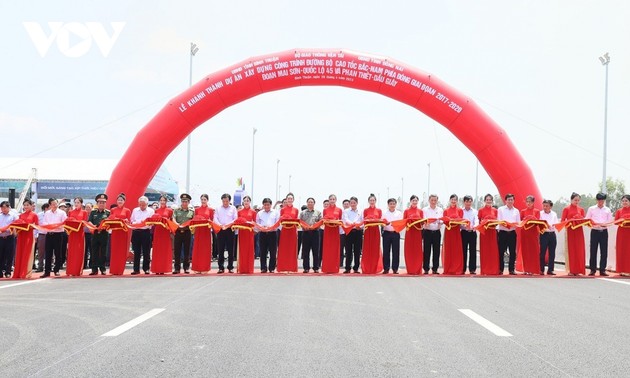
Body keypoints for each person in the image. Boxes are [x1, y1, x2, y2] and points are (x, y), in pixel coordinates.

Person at [586, 192, 614, 276]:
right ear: (596, 200)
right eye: (598, 200)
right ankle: (592, 269)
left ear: (604, 201)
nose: (600, 202)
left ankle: (602, 270)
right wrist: (593, 224)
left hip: (603, 231)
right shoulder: (591, 209)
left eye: (602, 200)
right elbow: (587, 219)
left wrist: (604, 224)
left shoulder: (607, 210)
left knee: (604, 251)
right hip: (594, 231)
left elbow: (610, 221)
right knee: (593, 250)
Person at [40, 198, 68, 277]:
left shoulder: (62, 213)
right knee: (48, 253)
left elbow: (64, 223)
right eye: (52, 204)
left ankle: (56, 270)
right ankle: (47, 271)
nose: (54, 205)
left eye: (56, 204)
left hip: (58, 234)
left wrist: (56, 226)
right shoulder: (47, 213)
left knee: (58, 253)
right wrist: (50, 226)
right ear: (50, 205)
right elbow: (44, 222)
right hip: (49, 234)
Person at [561, 192, 587, 276]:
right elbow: (562, 221)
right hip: (570, 231)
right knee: (571, 250)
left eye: (578, 200)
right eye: (575, 200)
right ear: (571, 200)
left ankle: (579, 269)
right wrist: (570, 221)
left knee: (579, 249)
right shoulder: (566, 209)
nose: (577, 201)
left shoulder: (581, 209)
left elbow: (583, 220)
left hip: (579, 231)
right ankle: (571, 270)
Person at [12, 199, 38, 279]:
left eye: (27, 205)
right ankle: (19, 272)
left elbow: (37, 226)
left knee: (27, 253)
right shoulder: (21, 215)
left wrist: (30, 226)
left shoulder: (34, 215)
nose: (26, 206)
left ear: (31, 206)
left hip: (29, 236)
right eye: (25, 205)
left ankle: (26, 273)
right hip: (21, 236)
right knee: (20, 253)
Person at [130, 196, 154, 275]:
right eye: (140, 205)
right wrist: (137, 223)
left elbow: (152, 222)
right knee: (136, 251)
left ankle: (146, 268)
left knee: (146, 251)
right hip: (136, 232)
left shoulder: (151, 211)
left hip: (145, 232)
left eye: (143, 205)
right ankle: (136, 269)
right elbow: (132, 220)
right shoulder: (135, 210)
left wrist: (143, 223)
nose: (142, 206)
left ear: (147, 204)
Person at [214, 193, 238, 273]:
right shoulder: (218, 208)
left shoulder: (233, 208)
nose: (225, 203)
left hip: (230, 229)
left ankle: (230, 267)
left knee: (231, 249)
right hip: (220, 229)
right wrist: (220, 225)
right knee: (220, 249)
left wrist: (228, 225)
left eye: (227, 201)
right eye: (223, 201)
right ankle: (221, 267)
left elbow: (235, 219)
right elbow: (215, 218)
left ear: (229, 201)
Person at [497, 193, 520, 275]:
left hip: (512, 233)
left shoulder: (516, 211)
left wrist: (512, 225)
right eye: (508, 200)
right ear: (505, 200)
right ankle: (500, 269)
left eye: (511, 200)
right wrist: (506, 225)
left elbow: (518, 223)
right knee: (501, 251)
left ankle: (511, 269)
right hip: (503, 232)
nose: (510, 201)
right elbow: (499, 221)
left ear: (513, 201)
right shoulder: (500, 209)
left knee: (512, 252)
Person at [150, 195, 174, 274]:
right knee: (157, 249)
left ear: (166, 201)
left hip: (165, 231)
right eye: (161, 200)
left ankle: (164, 268)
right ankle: (157, 268)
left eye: (164, 200)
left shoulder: (169, 210)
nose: (162, 202)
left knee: (164, 249)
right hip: (158, 231)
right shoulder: (156, 210)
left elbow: (171, 221)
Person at [109, 193, 131, 275]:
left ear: (124, 201)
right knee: (114, 250)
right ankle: (114, 269)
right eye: (118, 200)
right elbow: (110, 219)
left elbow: (129, 221)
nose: (120, 201)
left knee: (121, 250)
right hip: (115, 232)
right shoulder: (113, 210)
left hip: (123, 232)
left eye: (121, 200)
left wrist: (125, 221)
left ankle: (120, 269)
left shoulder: (127, 210)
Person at [477, 194, 500, 275]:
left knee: (493, 250)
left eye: (490, 199)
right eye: (487, 199)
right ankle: (485, 270)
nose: (488, 201)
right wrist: (485, 222)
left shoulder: (495, 210)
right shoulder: (481, 210)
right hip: (484, 233)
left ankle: (493, 270)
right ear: (485, 201)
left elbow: (497, 222)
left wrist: (493, 222)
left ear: (492, 201)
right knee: (485, 251)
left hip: (492, 232)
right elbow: (480, 221)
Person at [191, 194, 214, 273]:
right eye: (202, 199)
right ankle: (197, 268)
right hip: (198, 231)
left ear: (207, 200)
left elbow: (212, 221)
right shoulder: (197, 210)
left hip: (206, 231)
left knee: (205, 249)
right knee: (198, 249)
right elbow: (194, 219)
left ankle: (205, 268)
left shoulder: (210, 210)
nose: (203, 201)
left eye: (205, 199)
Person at [88, 194, 110, 275]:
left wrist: (106, 226)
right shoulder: (93, 212)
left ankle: (102, 268)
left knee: (103, 252)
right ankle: (94, 269)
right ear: (97, 204)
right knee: (94, 251)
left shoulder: (108, 213)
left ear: (105, 204)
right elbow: (89, 221)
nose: (102, 204)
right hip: (95, 233)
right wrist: (92, 226)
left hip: (104, 233)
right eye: (100, 202)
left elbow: (110, 222)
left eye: (103, 203)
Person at [442, 194, 464, 275]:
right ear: (450, 200)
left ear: (457, 201)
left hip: (456, 231)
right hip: (448, 231)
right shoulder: (446, 211)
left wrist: (455, 220)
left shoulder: (460, 210)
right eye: (452, 199)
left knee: (456, 250)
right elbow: (444, 221)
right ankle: (448, 268)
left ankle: (457, 268)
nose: (453, 201)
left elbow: (461, 220)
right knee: (448, 250)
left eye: (455, 200)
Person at [519, 195, 541, 275]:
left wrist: (533, 219)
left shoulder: (537, 211)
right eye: (527, 202)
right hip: (525, 232)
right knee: (526, 250)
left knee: (534, 250)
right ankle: (526, 269)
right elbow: (520, 222)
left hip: (533, 232)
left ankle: (534, 269)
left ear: (533, 202)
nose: (528, 203)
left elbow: (538, 221)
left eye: (530, 202)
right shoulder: (523, 211)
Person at [66, 197, 88, 276]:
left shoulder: (84, 212)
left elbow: (84, 223)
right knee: (71, 251)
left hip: (79, 234)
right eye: (75, 202)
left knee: (79, 252)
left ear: (81, 203)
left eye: (78, 202)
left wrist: (76, 222)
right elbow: (67, 222)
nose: (76, 204)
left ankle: (78, 270)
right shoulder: (70, 212)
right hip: (72, 234)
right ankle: (71, 270)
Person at [277, 193, 299, 273]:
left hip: (292, 230)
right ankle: (283, 267)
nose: (290, 200)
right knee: (284, 248)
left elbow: (297, 220)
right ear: (286, 200)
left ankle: (292, 267)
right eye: (288, 198)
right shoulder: (282, 210)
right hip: (285, 230)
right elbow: (281, 220)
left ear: (293, 200)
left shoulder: (296, 210)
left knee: (292, 248)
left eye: (291, 198)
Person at [173, 193, 194, 274]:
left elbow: (192, 221)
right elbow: (173, 218)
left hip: (187, 232)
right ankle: (177, 268)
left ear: (188, 202)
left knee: (187, 250)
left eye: (186, 202)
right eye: (183, 201)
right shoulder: (176, 210)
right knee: (177, 251)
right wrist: (176, 224)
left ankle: (186, 267)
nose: (184, 203)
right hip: (178, 232)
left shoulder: (191, 212)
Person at [361, 194, 383, 274]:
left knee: (375, 248)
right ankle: (367, 267)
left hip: (376, 231)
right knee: (367, 248)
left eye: (373, 200)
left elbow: (380, 220)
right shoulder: (366, 210)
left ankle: (375, 267)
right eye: (370, 200)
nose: (372, 202)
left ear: (375, 201)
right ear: (368, 201)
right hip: (368, 230)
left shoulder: (379, 210)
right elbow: (364, 220)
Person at [322, 194, 343, 274]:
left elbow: (340, 220)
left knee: (335, 249)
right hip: (328, 230)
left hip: (335, 231)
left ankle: (334, 268)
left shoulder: (339, 210)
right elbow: (324, 220)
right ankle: (326, 268)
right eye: (331, 199)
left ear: (336, 200)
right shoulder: (325, 210)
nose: (332, 200)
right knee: (327, 249)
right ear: (329, 200)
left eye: (333, 199)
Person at [257, 198, 279, 273]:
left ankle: (272, 268)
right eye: (265, 205)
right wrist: (262, 228)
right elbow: (257, 223)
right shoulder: (259, 213)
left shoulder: (275, 212)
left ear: (271, 205)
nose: (266, 206)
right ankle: (263, 268)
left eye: (268, 205)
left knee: (273, 251)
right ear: (263, 205)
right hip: (263, 233)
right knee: (263, 251)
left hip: (272, 233)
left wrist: (270, 228)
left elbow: (277, 223)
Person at [299, 197, 322, 273]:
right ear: (307, 203)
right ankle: (306, 268)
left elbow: (320, 222)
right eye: (309, 202)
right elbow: (300, 222)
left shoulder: (318, 212)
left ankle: (316, 267)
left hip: (315, 233)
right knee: (305, 251)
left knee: (316, 251)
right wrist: (304, 227)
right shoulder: (303, 213)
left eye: (312, 202)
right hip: (306, 233)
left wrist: (315, 226)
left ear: (314, 203)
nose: (310, 203)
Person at [422, 194, 443, 274]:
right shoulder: (425, 210)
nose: (433, 202)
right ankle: (426, 269)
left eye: (435, 200)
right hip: (427, 231)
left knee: (436, 251)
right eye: (432, 200)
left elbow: (442, 220)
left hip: (436, 232)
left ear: (437, 200)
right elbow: (423, 219)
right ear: (429, 200)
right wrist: (426, 222)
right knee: (427, 251)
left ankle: (435, 269)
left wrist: (440, 222)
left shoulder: (440, 210)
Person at [236, 196, 256, 274]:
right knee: (242, 250)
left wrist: (248, 223)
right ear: (243, 202)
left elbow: (255, 223)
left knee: (249, 250)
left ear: (250, 202)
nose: (246, 202)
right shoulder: (239, 212)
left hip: (249, 233)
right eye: (245, 201)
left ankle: (249, 268)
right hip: (242, 233)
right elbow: (237, 222)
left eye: (247, 200)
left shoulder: (253, 212)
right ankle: (242, 268)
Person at [342, 196, 363, 274]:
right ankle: (347, 267)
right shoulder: (346, 211)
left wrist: (359, 226)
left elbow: (363, 220)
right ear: (349, 203)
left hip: (358, 231)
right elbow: (345, 219)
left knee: (357, 251)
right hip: (349, 231)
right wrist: (353, 225)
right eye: (351, 203)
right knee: (348, 250)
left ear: (357, 203)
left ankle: (356, 268)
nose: (353, 204)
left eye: (354, 203)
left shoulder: (361, 211)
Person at [383, 197, 403, 274]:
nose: (392, 205)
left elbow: (400, 223)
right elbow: (381, 222)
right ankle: (386, 268)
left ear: (396, 204)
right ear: (388, 205)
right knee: (386, 251)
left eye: (393, 204)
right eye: (390, 204)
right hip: (386, 233)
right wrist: (385, 224)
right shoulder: (384, 213)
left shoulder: (399, 213)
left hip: (395, 233)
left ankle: (395, 269)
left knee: (396, 251)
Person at [539, 199, 558, 275]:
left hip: (552, 234)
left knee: (552, 252)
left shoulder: (554, 214)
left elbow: (556, 223)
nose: (545, 207)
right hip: (544, 234)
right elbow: (539, 223)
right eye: (544, 206)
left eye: (547, 206)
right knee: (542, 252)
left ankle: (550, 269)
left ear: (551, 206)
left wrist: (553, 225)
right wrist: (546, 225)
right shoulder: (540, 213)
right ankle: (541, 269)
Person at [461, 195, 478, 274]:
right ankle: (462, 268)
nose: (468, 203)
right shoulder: (461, 211)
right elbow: (459, 221)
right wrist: (463, 226)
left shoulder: (474, 211)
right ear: (464, 202)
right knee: (463, 251)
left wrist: (474, 227)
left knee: (473, 251)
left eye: (470, 201)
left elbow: (476, 220)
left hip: (472, 232)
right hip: (464, 232)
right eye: (467, 201)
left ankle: (472, 269)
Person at [0, 201, 18, 278]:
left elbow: (17, 226)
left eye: (5, 207)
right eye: (2, 207)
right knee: (1, 255)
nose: (3, 209)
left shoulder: (13, 216)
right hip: (1, 238)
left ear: (8, 207)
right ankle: (0, 272)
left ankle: (8, 272)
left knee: (9, 255)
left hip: (10, 238)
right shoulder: (0, 216)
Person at [615, 194, 630, 276]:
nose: (624, 202)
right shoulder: (619, 211)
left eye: (626, 201)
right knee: (621, 250)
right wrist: (622, 221)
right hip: (621, 232)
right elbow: (615, 221)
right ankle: (621, 270)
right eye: (623, 201)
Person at [35, 203, 49, 272]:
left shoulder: (51, 214)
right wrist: (35, 235)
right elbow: (36, 225)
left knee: (50, 251)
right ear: (45, 208)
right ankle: (40, 266)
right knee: (41, 252)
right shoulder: (39, 215)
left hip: (50, 234)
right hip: (41, 234)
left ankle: (49, 266)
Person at [83, 202, 93, 269]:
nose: (87, 209)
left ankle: (91, 264)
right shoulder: (83, 215)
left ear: (92, 208)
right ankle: (84, 264)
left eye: (89, 207)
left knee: (92, 250)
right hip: (84, 234)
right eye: (86, 207)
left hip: (92, 234)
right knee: (84, 250)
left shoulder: (93, 215)